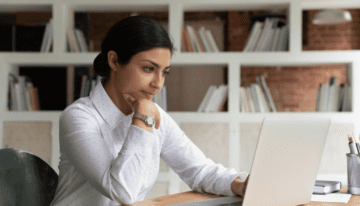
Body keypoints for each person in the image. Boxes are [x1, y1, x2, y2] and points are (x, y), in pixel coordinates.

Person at [50, 16, 249, 206]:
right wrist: (142, 117)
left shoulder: (155, 115)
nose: (158, 83)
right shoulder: (79, 117)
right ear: (114, 61)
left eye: (164, 72)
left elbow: (200, 171)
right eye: (148, 69)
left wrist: (240, 186)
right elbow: (122, 191)